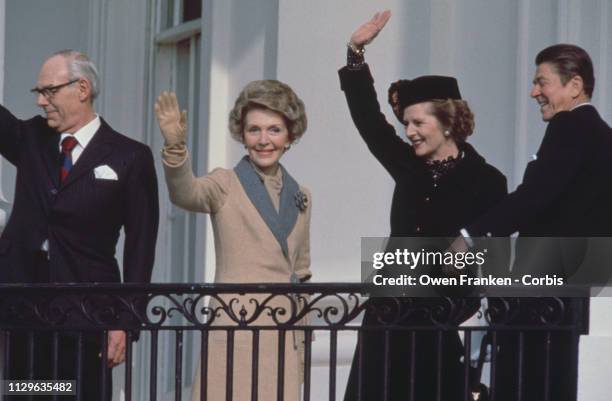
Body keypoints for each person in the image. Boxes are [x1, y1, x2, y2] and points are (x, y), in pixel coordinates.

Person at [339, 10, 507, 401]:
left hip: (438, 328)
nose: (409, 132)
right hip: (387, 321)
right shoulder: (407, 166)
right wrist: (355, 54)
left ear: (448, 122)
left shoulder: (487, 181)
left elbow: (491, 260)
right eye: (407, 124)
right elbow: (368, 119)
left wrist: (455, 308)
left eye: (418, 123)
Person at [452, 44, 612, 401]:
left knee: (529, 383)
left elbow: (536, 194)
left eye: (543, 82)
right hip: (578, 291)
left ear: (575, 85)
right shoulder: (601, 134)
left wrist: (472, 234)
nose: (533, 92)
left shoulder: (570, 125)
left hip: (546, 295)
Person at [0, 50, 159, 400]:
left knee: (81, 395)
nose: (41, 101)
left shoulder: (129, 156)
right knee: (26, 394)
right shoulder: (31, 139)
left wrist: (126, 320)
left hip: (86, 314)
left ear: (82, 88)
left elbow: (140, 245)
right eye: (38, 93)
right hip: (20, 310)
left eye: (49, 91)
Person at [155, 80, 311, 401]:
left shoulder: (301, 195)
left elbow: (302, 271)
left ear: (290, 135)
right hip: (236, 326)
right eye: (254, 130)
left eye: (274, 130)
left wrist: (304, 340)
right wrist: (175, 147)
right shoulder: (225, 183)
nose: (264, 140)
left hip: (284, 332)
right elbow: (186, 193)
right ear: (242, 135)